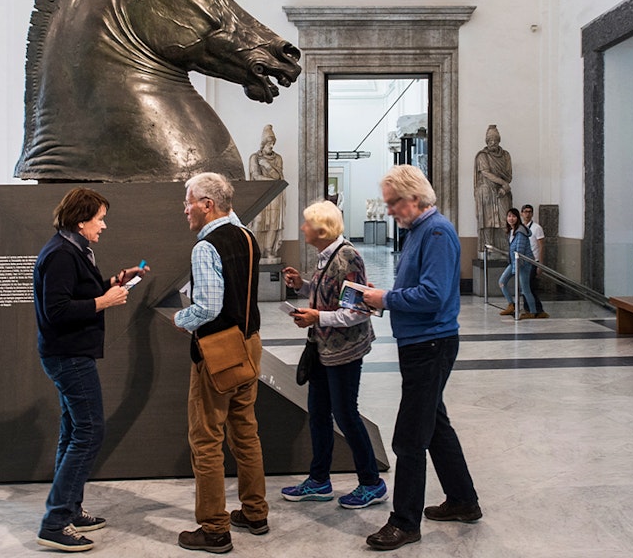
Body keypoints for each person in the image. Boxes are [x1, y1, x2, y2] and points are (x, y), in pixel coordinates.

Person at [360, 165, 481, 551]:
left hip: (431, 344)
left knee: (410, 436)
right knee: (436, 426)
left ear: (414, 198)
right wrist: (384, 296)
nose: (391, 210)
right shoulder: (419, 232)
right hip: (419, 343)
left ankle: (405, 522)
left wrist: (388, 299)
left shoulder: (438, 232)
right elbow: (418, 287)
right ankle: (464, 501)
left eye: (394, 203)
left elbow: (433, 295)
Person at [33, 188, 147, 552]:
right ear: (81, 220)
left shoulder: (72, 249)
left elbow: (74, 296)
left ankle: (70, 508)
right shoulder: (62, 254)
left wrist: (111, 284)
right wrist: (103, 301)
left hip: (70, 353)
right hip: (68, 355)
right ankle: (55, 522)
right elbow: (59, 310)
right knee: (89, 430)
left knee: (74, 430)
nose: (104, 224)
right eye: (99, 218)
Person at [174, 172, 268, 553]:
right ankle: (255, 511)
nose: (186, 209)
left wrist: (181, 320)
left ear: (207, 205)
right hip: (250, 344)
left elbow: (209, 307)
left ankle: (214, 528)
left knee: (206, 439)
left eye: (189, 202)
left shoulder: (205, 246)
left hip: (219, 352)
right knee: (245, 430)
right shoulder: (247, 236)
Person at [280, 201, 386, 509]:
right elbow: (331, 292)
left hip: (344, 351)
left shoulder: (347, 257)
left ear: (322, 228)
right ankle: (319, 481)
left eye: (306, 224)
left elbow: (358, 310)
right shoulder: (326, 256)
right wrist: (303, 286)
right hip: (324, 350)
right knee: (319, 413)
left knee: (346, 415)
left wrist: (318, 318)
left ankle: (371, 483)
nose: (302, 229)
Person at [498, 208, 546, 318]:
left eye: (513, 216)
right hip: (514, 263)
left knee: (525, 289)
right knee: (502, 282)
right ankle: (512, 305)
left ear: (518, 218)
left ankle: (533, 312)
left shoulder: (520, 232)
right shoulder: (511, 231)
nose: (511, 218)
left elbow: (519, 252)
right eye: (509, 216)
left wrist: (516, 270)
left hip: (523, 264)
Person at [248, 124, 285, 263]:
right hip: (260, 195)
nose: (271, 146)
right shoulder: (254, 158)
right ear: (263, 143)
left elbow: (279, 177)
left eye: (272, 143)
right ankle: (256, 250)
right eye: (269, 143)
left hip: (275, 195)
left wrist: (267, 166)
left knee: (274, 223)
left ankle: (269, 250)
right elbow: (256, 176)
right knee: (258, 222)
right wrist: (272, 180)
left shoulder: (277, 158)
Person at [473, 124, 513, 254]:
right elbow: (486, 173)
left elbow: (509, 175)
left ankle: (504, 249)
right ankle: (488, 249)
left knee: (503, 220)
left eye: (495, 140)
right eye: (490, 140)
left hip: (502, 192)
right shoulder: (482, 156)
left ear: (498, 140)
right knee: (487, 221)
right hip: (486, 191)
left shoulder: (506, 155)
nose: (492, 142)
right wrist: (503, 183)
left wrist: (505, 188)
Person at [521, 203, 546, 304]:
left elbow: (541, 246)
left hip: (533, 261)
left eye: (530, 212)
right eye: (525, 212)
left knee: (530, 286)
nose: (527, 214)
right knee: (524, 286)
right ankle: (527, 307)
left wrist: (540, 264)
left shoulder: (537, 228)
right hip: (523, 261)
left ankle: (536, 308)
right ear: (521, 213)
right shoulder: (520, 227)